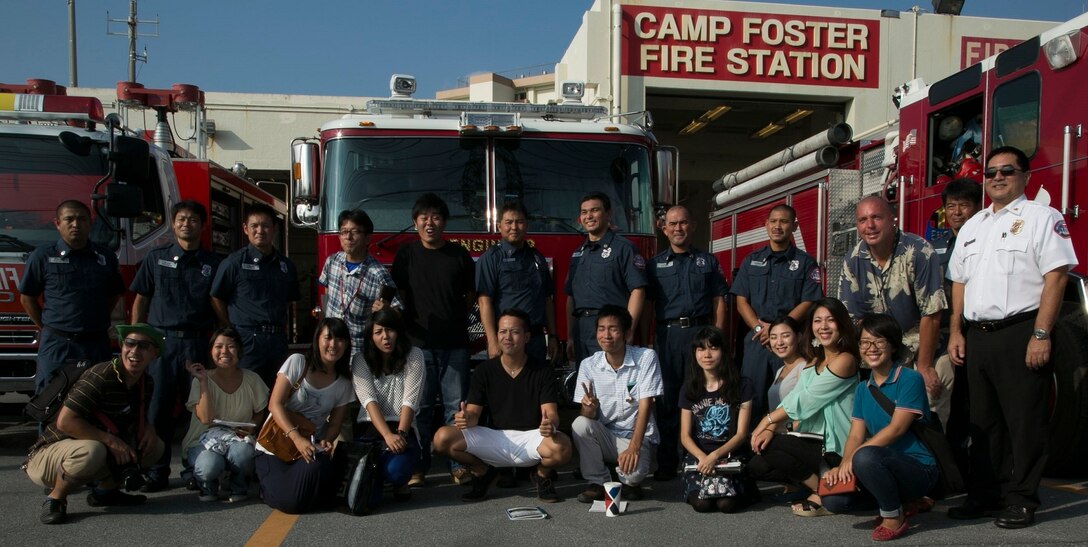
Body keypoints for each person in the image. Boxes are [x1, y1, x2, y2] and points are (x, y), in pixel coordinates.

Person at [946, 146, 1078, 529]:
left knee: (1024, 422)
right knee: (982, 422)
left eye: (1007, 171)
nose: (997, 178)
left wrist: (1041, 333)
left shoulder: (1042, 218)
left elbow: (1056, 275)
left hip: (1021, 330)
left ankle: (1021, 499)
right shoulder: (973, 225)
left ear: (1026, 176)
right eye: (990, 173)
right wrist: (956, 330)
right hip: (978, 337)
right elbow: (959, 282)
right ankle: (985, 494)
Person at [25, 324, 165, 525]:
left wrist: (149, 428)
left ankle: (105, 493)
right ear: (122, 346)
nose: (134, 351)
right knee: (93, 450)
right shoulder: (101, 374)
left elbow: (133, 421)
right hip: (49, 455)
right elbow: (65, 422)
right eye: (130, 343)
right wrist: (110, 441)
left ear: (154, 353)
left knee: (154, 446)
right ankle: (55, 499)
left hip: (87, 447)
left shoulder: (145, 382)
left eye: (143, 346)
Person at [130, 200, 224, 491]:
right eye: (182, 219)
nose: (187, 224)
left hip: (197, 344)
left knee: (197, 413)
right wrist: (136, 337)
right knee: (157, 410)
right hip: (161, 345)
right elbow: (141, 299)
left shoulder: (213, 263)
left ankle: (194, 470)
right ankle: (156, 471)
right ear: (173, 224)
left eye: (194, 220)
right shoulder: (156, 258)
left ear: (203, 225)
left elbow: (218, 304)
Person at [433, 308, 572, 503]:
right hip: (495, 438)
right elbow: (473, 413)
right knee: (442, 438)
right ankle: (483, 473)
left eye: (514, 332)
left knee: (563, 446)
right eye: (502, 331)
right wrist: (466, 418)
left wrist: (551, 425)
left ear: (526, 337)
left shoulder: (542, 370)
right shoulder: (484, 371)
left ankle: (541, 475)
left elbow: (551, 413)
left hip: (532, 438)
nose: (507, 337)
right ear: (497, 335)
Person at [823, 314, 938, 542]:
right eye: (865, 342)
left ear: (893, 345)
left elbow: (897, 429)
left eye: (879, 341)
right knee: (835, 501)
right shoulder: (864, 389)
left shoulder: (909, 378)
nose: (871, 348)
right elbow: (855, 434)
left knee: (865, 457)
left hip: (918, 468)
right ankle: (906, 502)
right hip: (879, 462)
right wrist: (844, 463)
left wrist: (855, 457)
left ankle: (893, 516)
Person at [391, 193, 476, 486]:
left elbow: (469, 298)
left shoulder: (459, 255)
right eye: (424, 217)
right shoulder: (406, 255)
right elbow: (398, 295)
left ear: (445, 222)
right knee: (421, 408)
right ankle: (419, 467)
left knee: (457, 408)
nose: (430, 223)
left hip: (455, 344)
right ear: (415, 222)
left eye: (436, 217)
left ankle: (458, 465)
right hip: (418, 346)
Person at [748, 298, 859, 517]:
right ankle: (822, 487)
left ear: (842, 324)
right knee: (763, 452)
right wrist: (770, 428)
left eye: (830, 320)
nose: (823, 326)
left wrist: (767, 421)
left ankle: (823, 491)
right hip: (813, 438)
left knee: (772, 443)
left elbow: (807, 399)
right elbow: (795, 397)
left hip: (837, 443)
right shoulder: (813, 362)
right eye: (818, 321)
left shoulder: (845, 359)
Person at [837, 196, 947, 411]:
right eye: (863, 220)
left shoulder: (919, 251)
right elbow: (853, 317)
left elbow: (932, 313)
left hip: (921, 347)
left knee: (927, 399)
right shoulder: (853, 258)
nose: (870, 226)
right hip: (878, 350)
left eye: (876, 217)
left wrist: (924, 367)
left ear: (892, 219)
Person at [644, 205, 728, 480]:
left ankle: (698, 459)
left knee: (702, 397)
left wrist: (716, 338)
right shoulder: (654, 265)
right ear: (664, 228)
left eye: (683, 223)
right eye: (672, 224)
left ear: (692, 225)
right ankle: (668, 462)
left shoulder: (708, 262)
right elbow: (648, 306)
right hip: (667, 337)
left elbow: (718, 301)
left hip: (700, 336)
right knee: (667, 400)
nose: (678, 228)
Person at [19, 200, 125, 394]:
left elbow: (114, 294)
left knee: (96, 400)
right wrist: (47, 327)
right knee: (49, 402)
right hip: (58, 345)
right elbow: (27, 298)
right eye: (69, 219)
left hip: (96, 344)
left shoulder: (105, 257)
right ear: (57, 223)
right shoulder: (42, 256)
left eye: (82, 219)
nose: (75, 224)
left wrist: (95, 319)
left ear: (90, 223)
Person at [730, 204, 822, 426]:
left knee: (791, 397)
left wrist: (777, 330)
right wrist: (761, 329)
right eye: (773, 221)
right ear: (766, 225)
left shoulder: (806, 263)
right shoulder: (751, 260)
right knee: (751, 399)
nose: (777, 226)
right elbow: (741, 301)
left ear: (794, 226)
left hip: (791, 343)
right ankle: (749, 450)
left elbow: (809, 301)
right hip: (757, 341)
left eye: (784, 221)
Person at [254, 318, 356, 514]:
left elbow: (335, 423)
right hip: (275, 445)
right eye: (328, 338)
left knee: (319, 472)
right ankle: (267, 491)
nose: (333, 345)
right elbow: (275, 405)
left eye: (340, 340)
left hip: (308, 448)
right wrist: (296, 438)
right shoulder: (298, 363)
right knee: (292, 504)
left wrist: (327, 440)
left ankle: (292, 491)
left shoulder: (344, 383)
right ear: (317, 339)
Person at [571, 305, 663, 503]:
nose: (606, 335)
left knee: (633, 476)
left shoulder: (646, 357)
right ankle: (597, 482)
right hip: (607, 435)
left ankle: (628, 479)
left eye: (613, 329)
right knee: (579, 423)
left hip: (636, 436)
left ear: (627, 333)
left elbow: (646, 406)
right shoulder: (588, 364)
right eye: (601, 329)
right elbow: (587, 418)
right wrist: (589, 408)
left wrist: (634, 448)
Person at [211, 203, 299, 386]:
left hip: (277, 342)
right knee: (246, 392)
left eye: (266, 225)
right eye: (254, 226)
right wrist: (229, 329)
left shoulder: (286, 266)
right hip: (247, 341)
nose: (260, 230)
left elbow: (290, 301)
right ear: (245, 229)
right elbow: (216, 296)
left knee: (277, 396)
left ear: (274, 229)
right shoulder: (234, 263)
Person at [180, 327, 269, 503]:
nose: (224, 352)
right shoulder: (200, 380)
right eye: (219, 346)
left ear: (239, 351)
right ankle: (207, 484)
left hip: (236, 440)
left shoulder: (252, 379)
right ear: (211, 351)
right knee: (209, 464)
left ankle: (238, 485)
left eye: (231, 346)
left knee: (243, 453)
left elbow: (260, 413)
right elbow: (206, 418)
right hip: (201, 442)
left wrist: (250, 425)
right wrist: (204, 381)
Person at [351, 309, 425, 506]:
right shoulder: (360, 359)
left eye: (390, 330)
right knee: (367, 501)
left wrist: (400, 434)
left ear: (399, 332)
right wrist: (386, 435)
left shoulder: (414, 355)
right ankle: (379, 478)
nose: (385, 337)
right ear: (370, 336)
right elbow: (368, 402)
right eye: (378, 332)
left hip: (402, 427)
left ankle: (398, 481)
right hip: (370, 429)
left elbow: (410, 400)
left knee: (396, 471)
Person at [565, 192, 647, 364]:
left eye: (594, 210)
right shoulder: (577, 254)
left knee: (611, 383)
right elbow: (571, 297)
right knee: (585, 386)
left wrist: (628, 330)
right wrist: (570, 336)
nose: (588, 216)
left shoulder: (624, 248)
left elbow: (638, 290)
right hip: (582, 330)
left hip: (610, 329)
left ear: (608, 214)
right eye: (584, 212)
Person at [679, 326, 753, 513]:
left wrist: (714, 456)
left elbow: (742, 434)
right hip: (699, 457)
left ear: (724, 351)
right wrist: (703, 457)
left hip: (730, 456)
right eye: (701, 349)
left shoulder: (742, 385)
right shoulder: (689, 388)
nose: (707, 354)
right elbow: (685, 435)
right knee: (702, 504)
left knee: (726, 505)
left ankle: (746, 488)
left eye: (713, 348)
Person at [476, 200, 558, 364]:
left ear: (526, 225)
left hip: (535, 339)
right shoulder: (491, 258)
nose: (514, 227)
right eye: (509, 222)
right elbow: (484, 302)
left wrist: (553, 336)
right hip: (507, 340)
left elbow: (547, 299)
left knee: (535, 386)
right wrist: (492, 340)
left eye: (520, 222)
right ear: (499, 226)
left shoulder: (537, 258)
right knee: (506, 388)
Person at [318, 209, 402, 358]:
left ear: (368, 238)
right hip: (331, 349)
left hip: (358, 353)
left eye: (355, 232)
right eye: (344, 232)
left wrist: (386, 310)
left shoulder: (378, 274)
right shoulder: (332, 262)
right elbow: (326, 295)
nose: (348, 237)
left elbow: (398, 311)